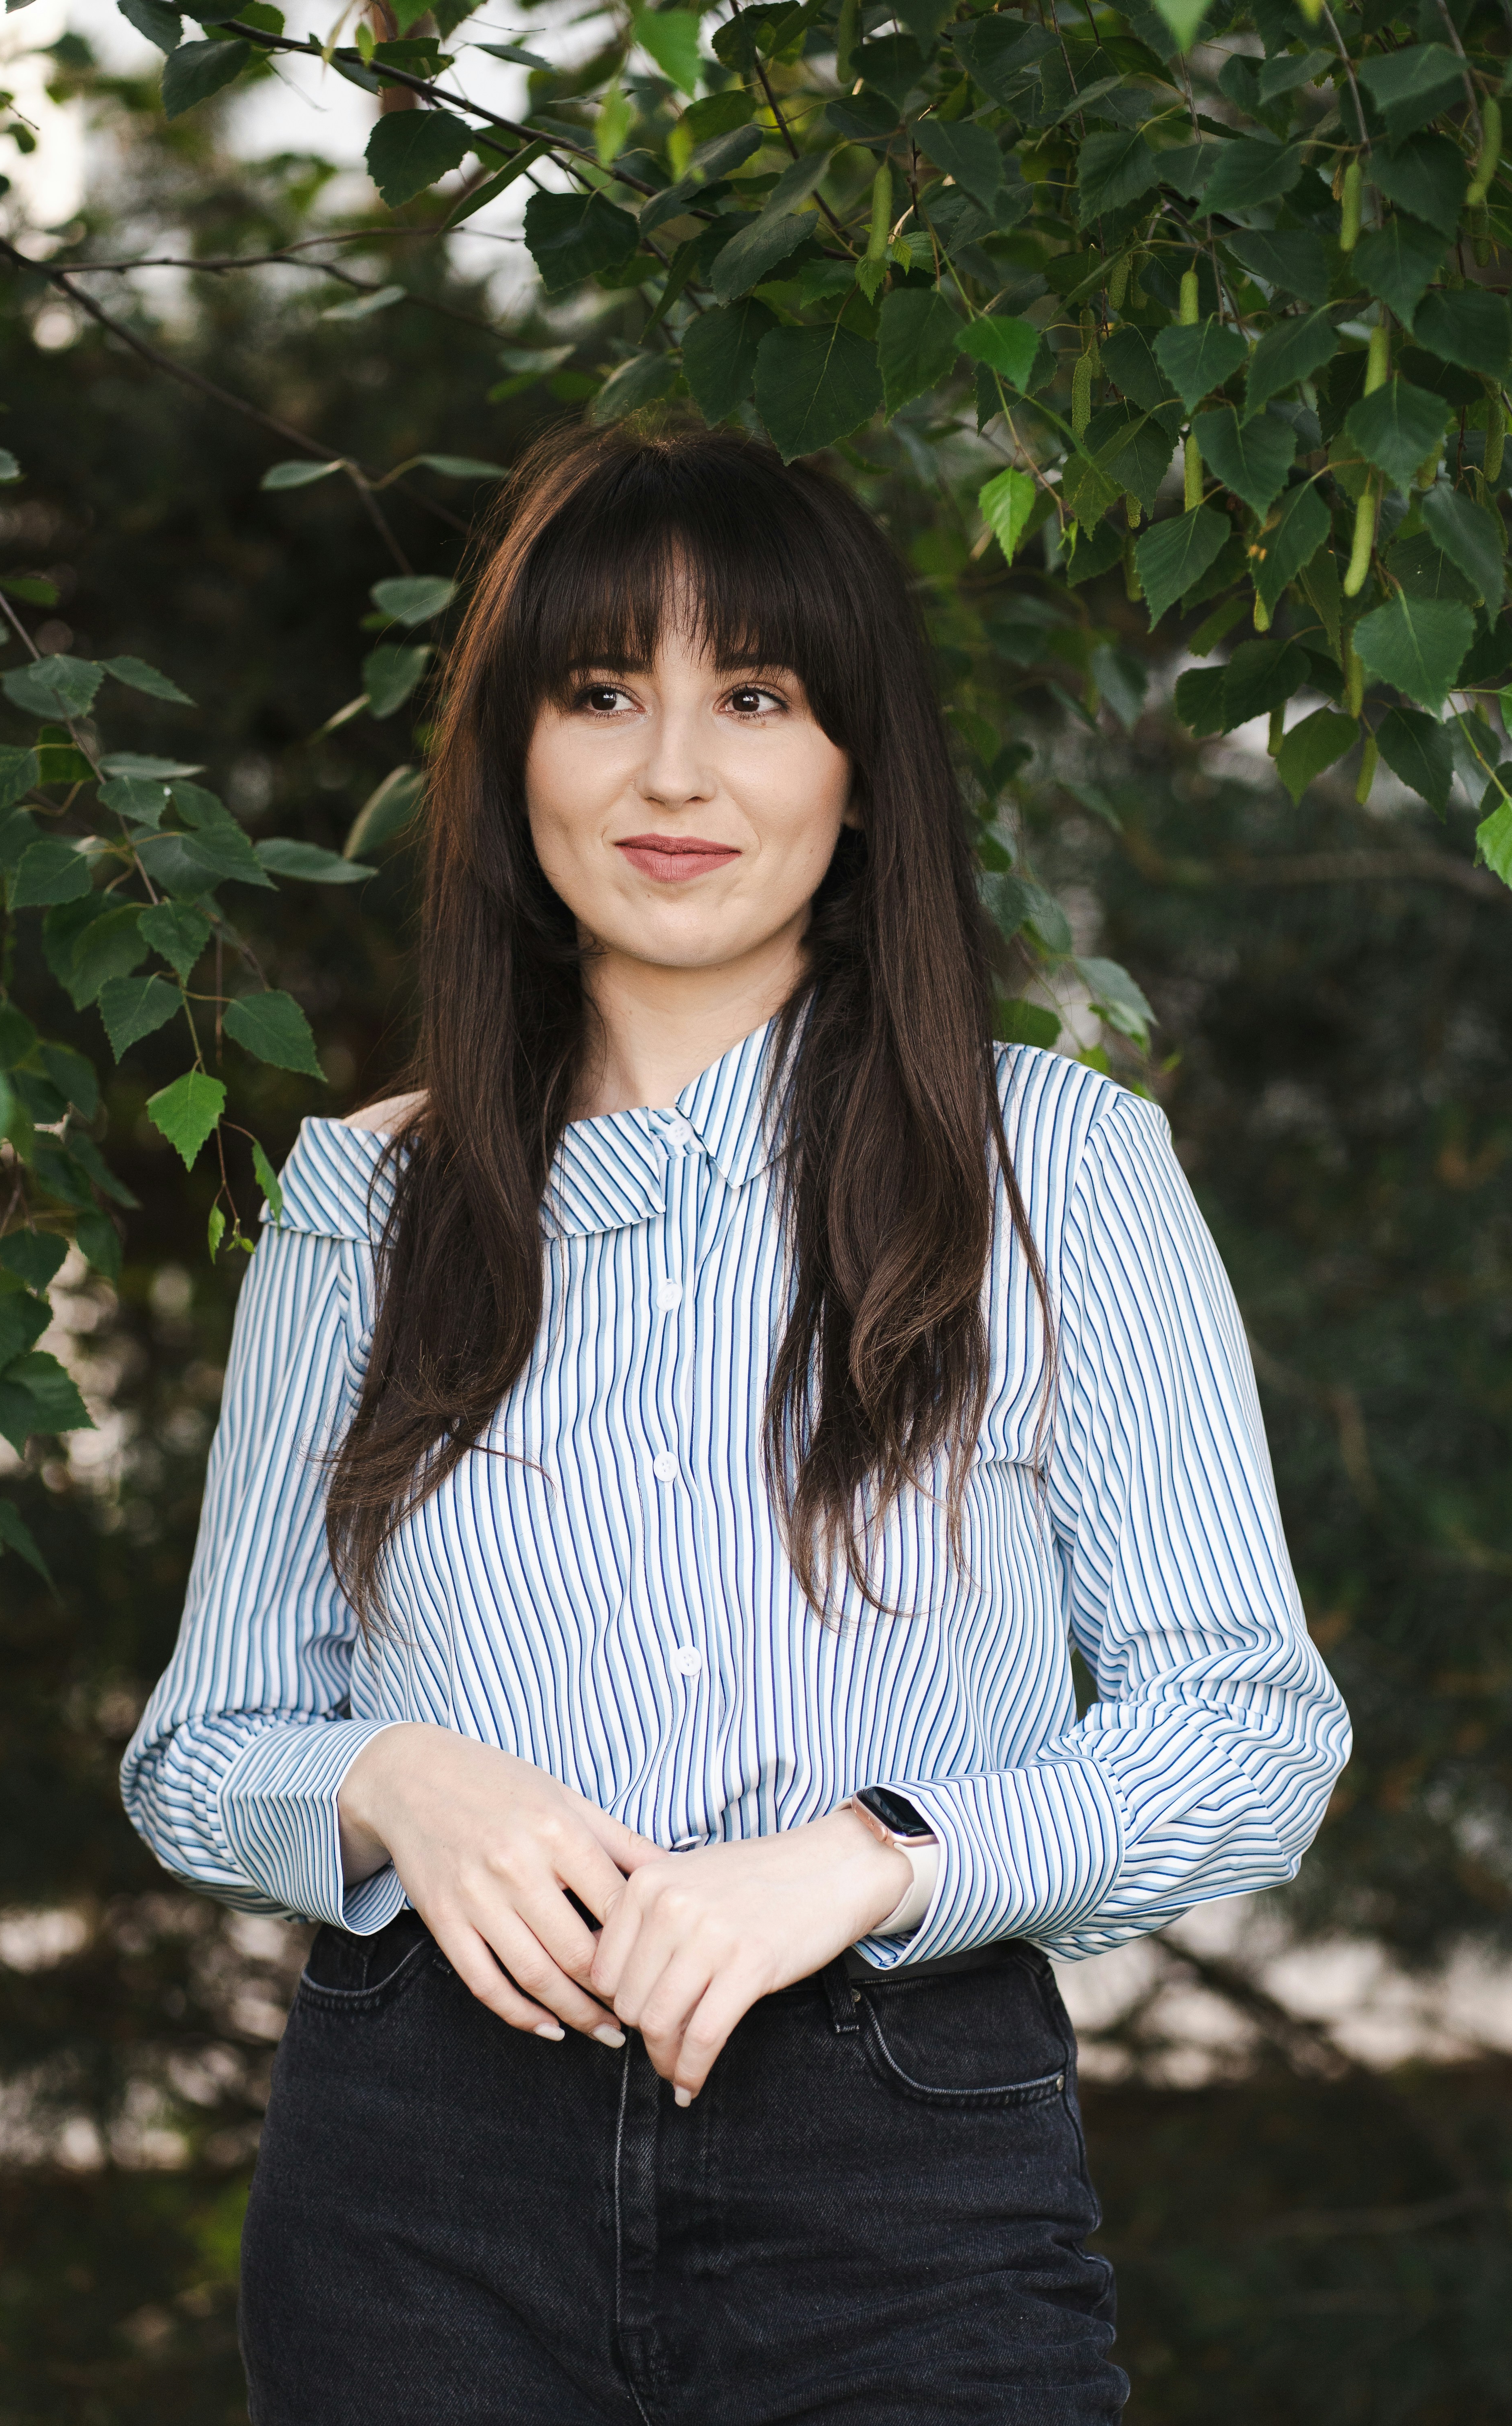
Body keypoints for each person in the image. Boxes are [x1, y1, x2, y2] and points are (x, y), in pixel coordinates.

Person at [120, 421, 1350, 2426]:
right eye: (602, 695)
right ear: (514, 764)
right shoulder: (364, 1202)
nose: (671, 771)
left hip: (901, 2168)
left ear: (858, 775)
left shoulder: (1057, 1166)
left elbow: (1247, 1729)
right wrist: (401, 1782)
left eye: (755, 699)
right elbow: (204, 1753)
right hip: (419, 2183)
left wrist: (868, 1861)